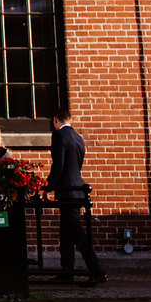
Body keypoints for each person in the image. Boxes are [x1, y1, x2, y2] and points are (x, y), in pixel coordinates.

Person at [46, 105, 104, 285]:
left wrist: (49, 187)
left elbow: (59, 164)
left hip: (67, 190)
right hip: (76, 187)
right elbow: (77, 164)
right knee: (66, 232)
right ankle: (67, 270)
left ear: (56, 119)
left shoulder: (59, 136)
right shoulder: (78, 138)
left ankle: (97, 270)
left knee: (76, 233)